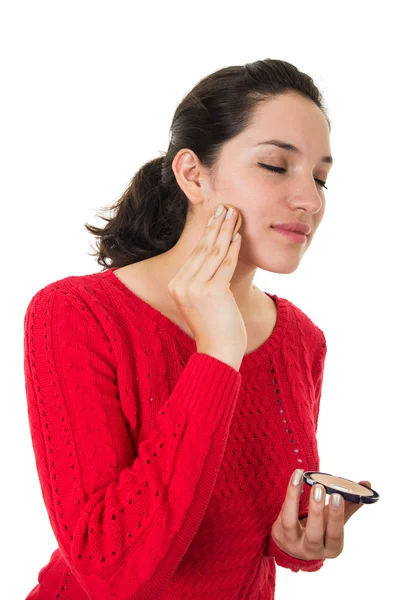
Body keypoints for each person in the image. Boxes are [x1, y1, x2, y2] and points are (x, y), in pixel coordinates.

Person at [23, 58, 368, 600]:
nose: (310, 200)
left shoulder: (301, 338)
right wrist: (216, 356)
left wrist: (295, 541)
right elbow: (110, 572)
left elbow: (240, 526)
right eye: (277, 166)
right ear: (193, 174)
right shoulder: (76, 314)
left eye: (321, 178)